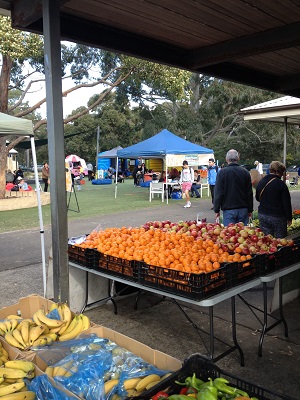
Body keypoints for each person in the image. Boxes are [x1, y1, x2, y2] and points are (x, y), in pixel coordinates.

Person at [214, 149, 253, 226]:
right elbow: (249, 193)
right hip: (243, 208)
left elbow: (218, 192)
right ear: (238, 159)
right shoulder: (245, 172)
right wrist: (250, 209)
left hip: (228, 209)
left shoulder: (222, 172)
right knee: (243, 234)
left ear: (226, 159)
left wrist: (216, 209)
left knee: (230, 235)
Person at [255, 161, 292, 238]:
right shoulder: (281, 184)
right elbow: (286, 203)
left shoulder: (261, 181)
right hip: (278, 216)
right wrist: (289, 218)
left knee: (266, 240)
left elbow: (257, 198)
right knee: (280, 241)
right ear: (277, 171)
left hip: (263, 214)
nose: (282, 174)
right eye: (282, 172)